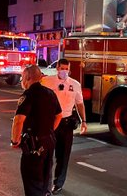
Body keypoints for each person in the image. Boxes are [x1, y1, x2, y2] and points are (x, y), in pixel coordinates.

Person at [11, 65, 62, 196]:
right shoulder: (50, 93)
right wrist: (49, 130)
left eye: (22, 77)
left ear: (27, 78)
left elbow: (18, 120)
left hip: (34, 145)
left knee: (33, 182)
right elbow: (59, 115)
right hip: (49, 143)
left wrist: (15, 141)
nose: (22, 81)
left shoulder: (28, 95)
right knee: (45, 180)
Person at [41, 58, 87, 195]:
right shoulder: (47, 81)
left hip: (66, 124)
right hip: (51, 123)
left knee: (63, 156)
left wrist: (84, 121)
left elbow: (79, 104)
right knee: (47, 155)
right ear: (57, 68)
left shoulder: (75, 84)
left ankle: (58, 183)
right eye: (62, 68)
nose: (64, 71)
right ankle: (45, 184)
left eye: (67, 69)